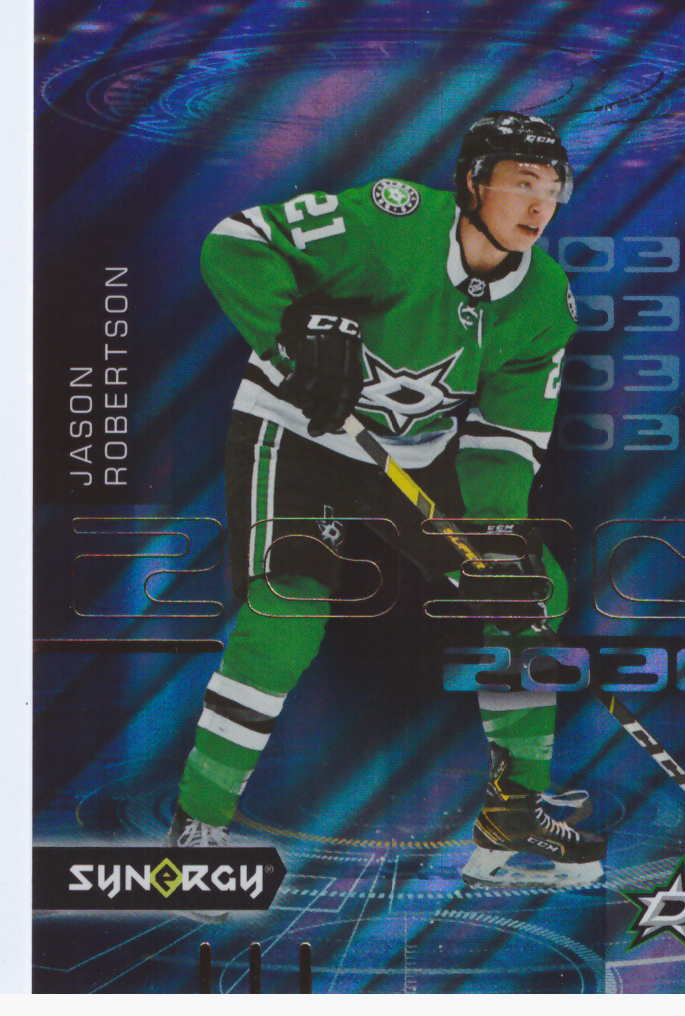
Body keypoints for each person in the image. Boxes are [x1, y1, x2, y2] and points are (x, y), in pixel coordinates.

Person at [168, 111, 606, 888]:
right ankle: (198, 829)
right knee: (289, 607)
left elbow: (505, 437)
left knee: (530, 591)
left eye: (551, 189)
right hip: (300, 432)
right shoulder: (390, 220)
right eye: (520, 184)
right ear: (471, 182)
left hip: (416, 455)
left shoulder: (544, 300)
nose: (539, 205)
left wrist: (495, 545)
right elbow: (235, 241)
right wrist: (292, 338)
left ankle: (512, 815)